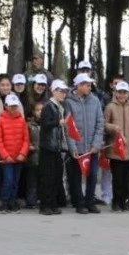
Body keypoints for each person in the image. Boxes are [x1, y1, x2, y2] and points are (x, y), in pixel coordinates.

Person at [66, 73, 105, 214]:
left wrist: (97, 143)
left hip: (91, 148)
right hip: (77, 147)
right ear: (79, 85)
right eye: (87, 85)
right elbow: (68, 126)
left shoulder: (95, 101)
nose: (89, 87)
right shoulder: (69, 102)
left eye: (90, 85)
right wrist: (72, 147)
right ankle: (79, 202)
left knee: (93, 175)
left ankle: (90, 201)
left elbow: (100, 123)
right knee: (76, 177)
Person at [104, 81, 129, 212]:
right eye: (119, 92)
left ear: (128, 94)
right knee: (117, 178)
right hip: (116, 149)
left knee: (128, 178)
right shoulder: (110, 107)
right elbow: (104, 124)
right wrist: (113, 127)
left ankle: (124, 201)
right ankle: (116, 202)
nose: (121, 95)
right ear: (115, 93)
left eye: (124, 92)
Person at [38, 80, 72, 215]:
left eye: (65, 92)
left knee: (56, 177)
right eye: (61, 91)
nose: (63, 94)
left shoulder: (60, 107)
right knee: (47, 177)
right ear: (53, 91)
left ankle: (52, 203)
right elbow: (44, 123)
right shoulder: (49, 106)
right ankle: (45, 205)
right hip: (48, 147)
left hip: (57, 147)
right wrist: (58, 122)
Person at [0, 94, 29, 212]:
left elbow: (26, 139)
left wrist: (22, 153)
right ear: (6, 106)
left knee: (15, 181)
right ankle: (4, 202)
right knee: (8, 180)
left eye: (15, 106)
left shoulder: (21, 120)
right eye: (11, 106)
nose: (14, 108)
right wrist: (5, 155)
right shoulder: (0, 120)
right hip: (7, 158)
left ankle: (12, 202)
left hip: (18, 157)